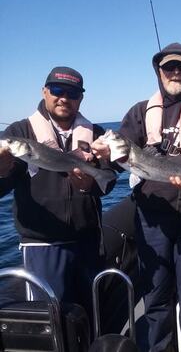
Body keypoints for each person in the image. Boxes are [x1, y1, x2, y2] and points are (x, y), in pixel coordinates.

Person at [92, 42, 181, 351]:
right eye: (169, 67)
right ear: (158, 71)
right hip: (151, 220)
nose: (175, 72)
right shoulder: (139, 112)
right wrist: (103, 154)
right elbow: (116, 159)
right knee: (156, 297)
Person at [0, 66, 116, 324]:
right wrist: (2, 168)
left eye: (72, 93)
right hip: (43, 246)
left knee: (91, 316)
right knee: (53, 321)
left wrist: (88, 184)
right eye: (57, 90)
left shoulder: (95, 133)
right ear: (44, 91)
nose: (64, 97)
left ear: (81, 98)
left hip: (88, 243)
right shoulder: (20, 133)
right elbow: (3, 186)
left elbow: (107, 182)